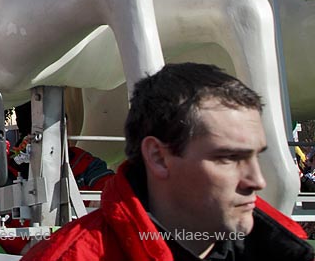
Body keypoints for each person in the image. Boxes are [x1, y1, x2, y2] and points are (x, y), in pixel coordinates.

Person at [23, 63, 313, 261]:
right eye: (229, 157)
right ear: (158, 157)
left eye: (255, 155)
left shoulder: (288, 246)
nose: (257, 181)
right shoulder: (71, 256)